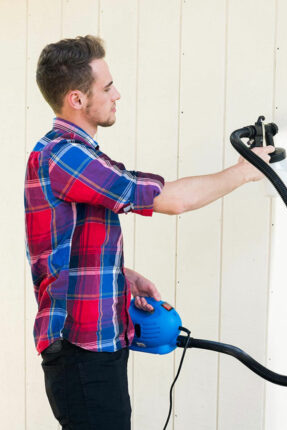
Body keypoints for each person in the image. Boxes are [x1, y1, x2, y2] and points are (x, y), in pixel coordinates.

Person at [24, 35, 274, 430]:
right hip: (81, 349)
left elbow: (61, 246)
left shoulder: (75, 153)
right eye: (107, 88)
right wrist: (246, 171)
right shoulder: (64, 155)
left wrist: (120, 275)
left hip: (94, 347)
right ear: (77, 99)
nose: (117, 95)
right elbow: (171, 200)